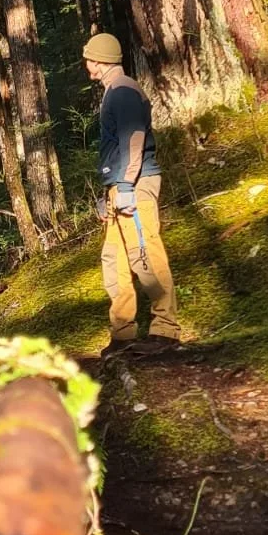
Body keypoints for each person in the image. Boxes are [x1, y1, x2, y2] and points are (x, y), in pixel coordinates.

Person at [83, 32, 182, 348]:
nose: (86, 62)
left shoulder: (123, 91)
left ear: (99, 61)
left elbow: (134, 138)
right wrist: (109, 191)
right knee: (114, 259)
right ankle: (123, 333)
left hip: (136, 186)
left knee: (144, 254)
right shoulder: (114, 90)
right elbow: (116, 147)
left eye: (88, 57)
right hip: (121, 187)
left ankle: (165, 330)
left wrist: (125, 185)